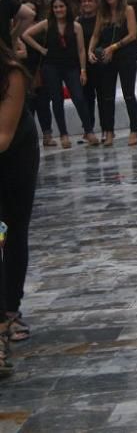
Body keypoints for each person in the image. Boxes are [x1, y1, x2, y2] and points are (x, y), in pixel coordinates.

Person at [0, 39, 40, 364]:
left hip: (14, 158)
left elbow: (3, 136)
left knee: (12, 231)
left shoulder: (11, 73)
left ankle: (10, 311)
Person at [20, 0, 96, 147]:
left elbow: (81, 50)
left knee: (79, 98)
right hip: (51, 67)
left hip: (72, 67)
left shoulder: (76, 26)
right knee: (57, 100)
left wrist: (83, 70)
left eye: (61, 6)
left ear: (66, 8)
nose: (58, 10)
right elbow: (26, 35)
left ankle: (89, 131)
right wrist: (40, 49)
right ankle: (63, 134)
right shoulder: (47, 24)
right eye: (55, 7)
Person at [88, 0, 137, 147]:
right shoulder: (102, 13)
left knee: (128, 94)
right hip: (107, 58)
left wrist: (114, 47)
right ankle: (109, 131)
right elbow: (96, 35)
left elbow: (132, 34)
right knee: (107, 96)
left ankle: (133, 129)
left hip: (126, 55)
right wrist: (90, 50)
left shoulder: (127, 10)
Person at [77, 0, 99, 142]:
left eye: (90, 1)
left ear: (96, 3)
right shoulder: (77, 21)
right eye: (84, 1)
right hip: (84, 65)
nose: (87, 4)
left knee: (103, 97)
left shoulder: (101, 19)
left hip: (99, 62)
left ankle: (107, 128)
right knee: (87, 97)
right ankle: (88, 128)